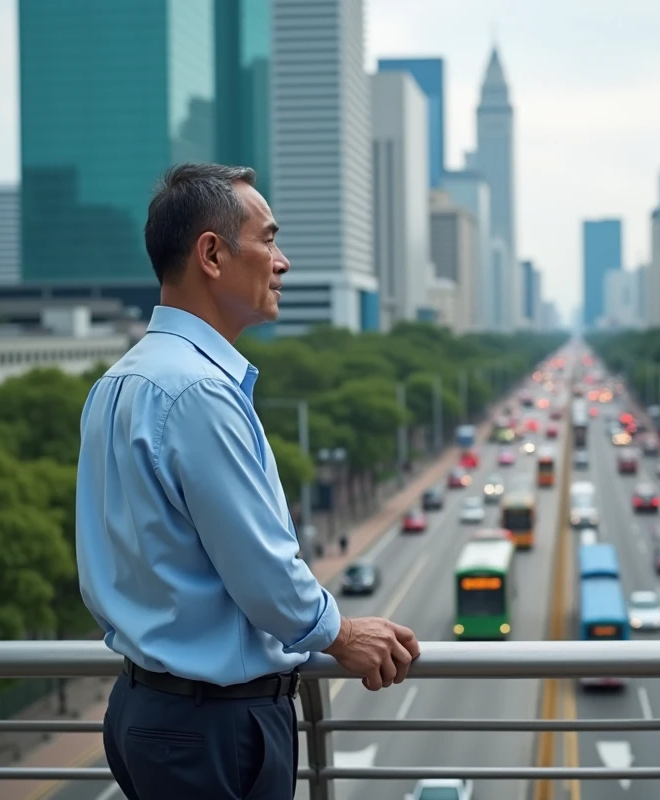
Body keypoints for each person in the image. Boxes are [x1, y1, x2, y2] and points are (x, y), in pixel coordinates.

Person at [76, 164, 420, 800]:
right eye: (268, 239)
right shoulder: (201, 392)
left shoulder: (116, 383)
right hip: (212, 726)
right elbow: (262, 570)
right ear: (212, 253)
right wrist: (342, 635)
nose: (282, 262)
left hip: (142, 709)